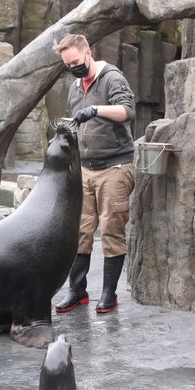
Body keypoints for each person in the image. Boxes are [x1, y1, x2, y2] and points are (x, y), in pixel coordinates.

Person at [52, 33, 136, 315]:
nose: (73, 67)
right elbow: (78, 124)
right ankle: (77, 291)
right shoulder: (75, 87)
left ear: (88, 52)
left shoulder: (112, 78)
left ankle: (109, 294)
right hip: (85, 169)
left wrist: (96, 110)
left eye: (75, 61)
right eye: (67, 65)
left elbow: (127, 111)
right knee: (79, 231)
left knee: (112, 230)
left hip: (114, 167)